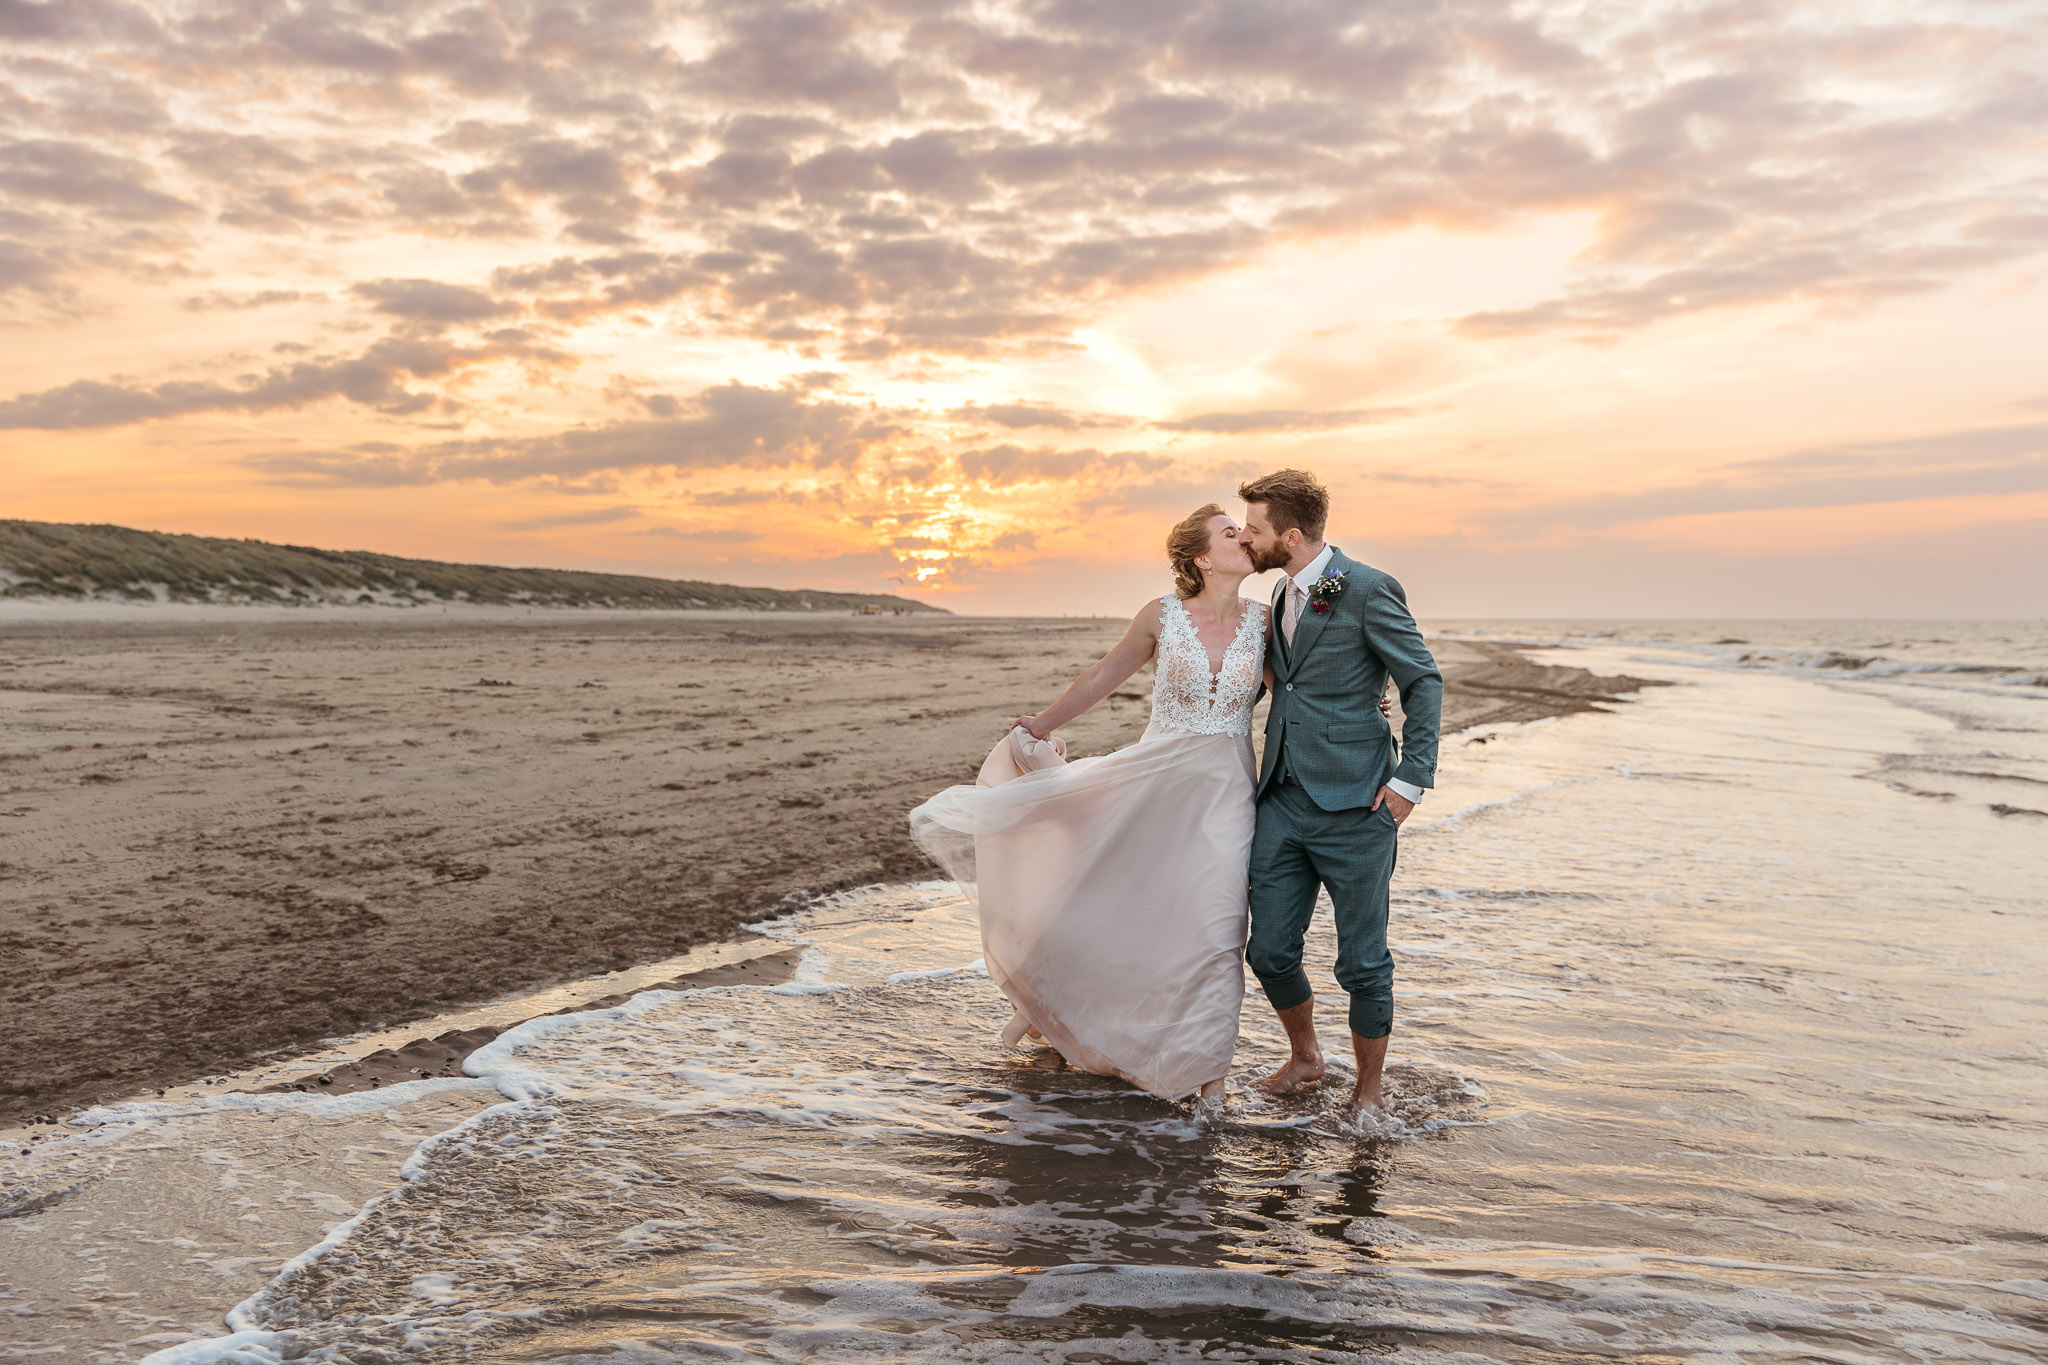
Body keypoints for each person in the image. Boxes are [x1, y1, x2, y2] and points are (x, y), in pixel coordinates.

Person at [906, 503, 1266, 1100]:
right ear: (1201, 557)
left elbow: (1304, 694)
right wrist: (1040, 724)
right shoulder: (1161, 615)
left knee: (1218, 927)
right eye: (1231, 533)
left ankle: (1205, 1077)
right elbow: (1102, 677)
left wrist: (1369, 707)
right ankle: (1064, 1005)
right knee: (1118, 903)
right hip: (1153, 781)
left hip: (1225, 793)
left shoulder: (1265, 620)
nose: (1245, 538)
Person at [1236, 468, 1443, 1122]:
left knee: (1362, 961)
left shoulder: (1367, 589)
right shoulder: (1278, 595)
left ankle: (1369, 1094)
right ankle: (1305, 1057)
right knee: (1266, 948)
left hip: (1359, 805)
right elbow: (1287, 683)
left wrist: (1411, 778)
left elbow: (1422, 681)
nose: (1247, 537)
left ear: (1291, 535)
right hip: (1283, 800)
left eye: (1256, 528)